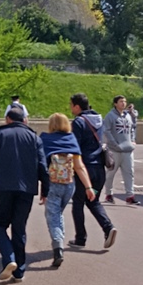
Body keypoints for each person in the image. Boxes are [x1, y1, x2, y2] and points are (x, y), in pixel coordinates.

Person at [0, 107, 49, 281]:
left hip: (3, 186)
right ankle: (20, 270)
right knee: (19, 228)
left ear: (7, 119)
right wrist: (45, 190)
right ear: (24, 120)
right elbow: (43, 166)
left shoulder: (0, 135)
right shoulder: (35, 138)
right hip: (27, 188)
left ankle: (9, 258)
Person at [40, 113, 96, 267]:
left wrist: (42, 189)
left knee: (53, 216)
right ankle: (60, 241)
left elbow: (41, 166)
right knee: (58, 214)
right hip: (69, 184)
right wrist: (88, 187)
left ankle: (58, 246)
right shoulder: (71, 139)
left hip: (53, 183)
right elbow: (79, 166)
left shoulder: (45, 139)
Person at [70, 93, 117, 249]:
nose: (70, 108)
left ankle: (80, 238)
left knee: (78, 202)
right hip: (99, 168)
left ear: (77, 106)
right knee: (93, 200)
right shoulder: (98, 120)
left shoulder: (78, 122)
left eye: (71, 105)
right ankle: (108, 227)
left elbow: (74, 146)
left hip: (85, 168)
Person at [103, 95, 140, 205]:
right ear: (115, 104)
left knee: (129, 173)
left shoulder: (128, 115)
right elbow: (107, 131)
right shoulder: (110, 116)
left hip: (128, 150)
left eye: (124, 101)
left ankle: (130, 196)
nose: (123, 103)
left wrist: (133, 140)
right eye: (120, 101)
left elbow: (132, 128)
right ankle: (108, 194)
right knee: (111, 173)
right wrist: (114, 144)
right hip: (115, 150)